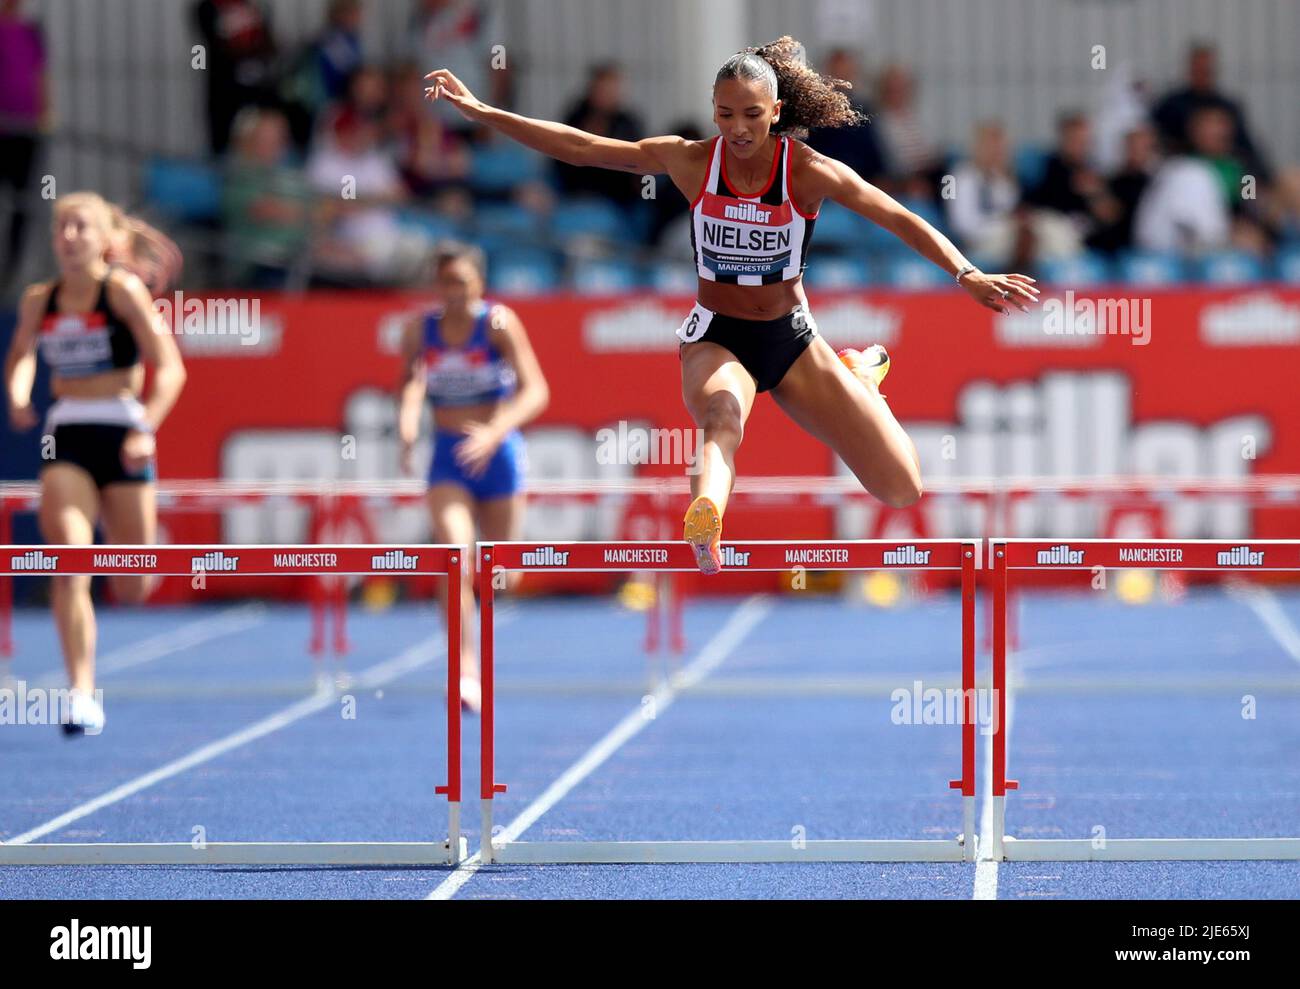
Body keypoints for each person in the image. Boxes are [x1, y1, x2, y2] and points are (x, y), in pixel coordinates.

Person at [425, 36, 1038, 574]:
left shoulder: (808, 171)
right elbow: (583, 147)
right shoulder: (691, 160)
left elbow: (897, 216)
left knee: (902, 488)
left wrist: (965, 271)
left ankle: (861, 380)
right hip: (716, 333)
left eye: (751, 115)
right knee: (722, 417)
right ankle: (707, 515)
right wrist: (481, 111)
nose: (738, 129)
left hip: (792, 341)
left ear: (776, 112)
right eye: (724, 114)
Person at [3, 192, 187, 735]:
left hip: (122, 428)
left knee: (133, 584)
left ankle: (137, 546)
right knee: (70, 560)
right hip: (67, 433)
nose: (68, 236)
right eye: (61, 227)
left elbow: (171, 369)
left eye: (81, 227)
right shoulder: (42, 298)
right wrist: (18, 395)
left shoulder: (123, 291)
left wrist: (145, 428)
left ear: (106, 239)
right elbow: (21, 355)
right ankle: (81, 692)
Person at [397, 243, 549, 711]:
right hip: (448, 457)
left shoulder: (498, 324)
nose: (456, 293)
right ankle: (464, 667)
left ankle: (480, 623)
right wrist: (406, 427)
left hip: (498, 454)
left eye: (463, 283)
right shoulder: (420, 329)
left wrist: (494, 432)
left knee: (504, 575)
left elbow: (537, 390)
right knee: (454, 558)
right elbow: (410, 381)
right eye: (447, 283)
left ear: (479, 284)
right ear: (437, 286)